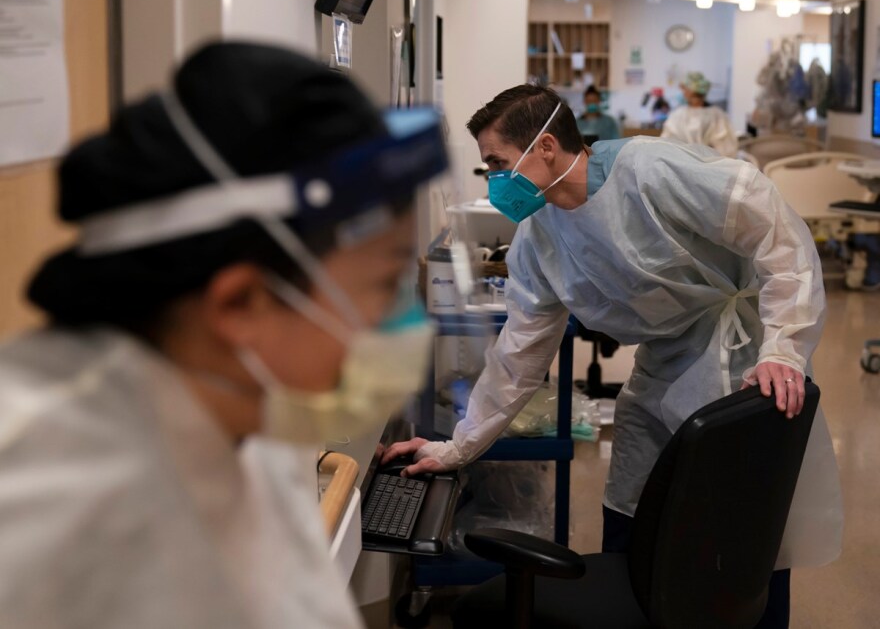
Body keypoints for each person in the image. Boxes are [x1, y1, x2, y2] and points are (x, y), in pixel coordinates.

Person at [0, 42, 447, 628]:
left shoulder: (244, 414)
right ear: (241, 302)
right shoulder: (44, 519)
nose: (403, 318)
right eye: (386, 283)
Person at [383, 84, 843, 628]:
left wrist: (784, 348)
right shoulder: (537, 242)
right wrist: (458, 446)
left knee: (746, 532)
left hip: (748, 365)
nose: (495, 181)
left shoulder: (648, 172)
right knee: (633, 499)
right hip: (664, 366)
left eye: (497, 164)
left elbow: (773, 226)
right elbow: (519, 357)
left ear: (546, 147)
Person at [661, 71, 738, 157]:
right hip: (685, 165)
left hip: (709, 166)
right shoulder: (678, 115)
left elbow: (725, 149)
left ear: (691, 91)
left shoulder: (716, 116)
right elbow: (667, 144)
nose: (683, 92)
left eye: (685, 89)